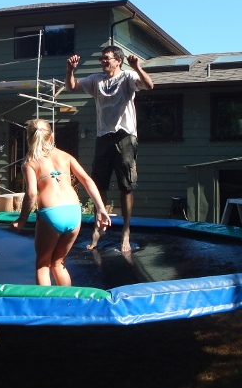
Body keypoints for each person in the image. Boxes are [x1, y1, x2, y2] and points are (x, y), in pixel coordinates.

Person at [65, 45, 154, 254]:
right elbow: (71, 87)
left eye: (107, 58)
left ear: (118, 61)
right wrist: (70, 70)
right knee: (99, 184)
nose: (103, 61)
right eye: (102, 59)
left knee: (126, 186)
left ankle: (125, 232)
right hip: (103, 137)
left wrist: (138, 67)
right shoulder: (96, 80)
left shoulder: (128, 77)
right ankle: (99, 227)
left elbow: (149, 86)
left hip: (125, 136)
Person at [10, 119, 111, 286]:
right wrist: (100, 208)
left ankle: (46, 308)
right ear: (52, 137)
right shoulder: (65, 156)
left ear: (28, 139)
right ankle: (68, 305)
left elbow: (31, 193)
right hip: (73, 212)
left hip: (52, 214)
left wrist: (21, 220)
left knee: (43, 264)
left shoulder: (30, 163)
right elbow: (87, 180)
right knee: (59, 262)